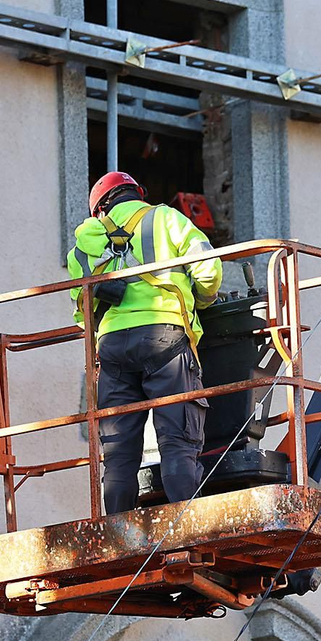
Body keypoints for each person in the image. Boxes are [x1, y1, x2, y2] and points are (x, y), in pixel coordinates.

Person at [67, 171, 222, 514]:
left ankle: (118, 533)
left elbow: (82, 311)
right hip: (165, 337)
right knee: (177, 441)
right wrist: (201, 298)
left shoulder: (81, 247)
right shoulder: (166, 218)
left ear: (99, 211)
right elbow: (209, 270)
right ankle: (187, 527)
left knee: (119, 456)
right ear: (137, 194)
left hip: (112, 349)